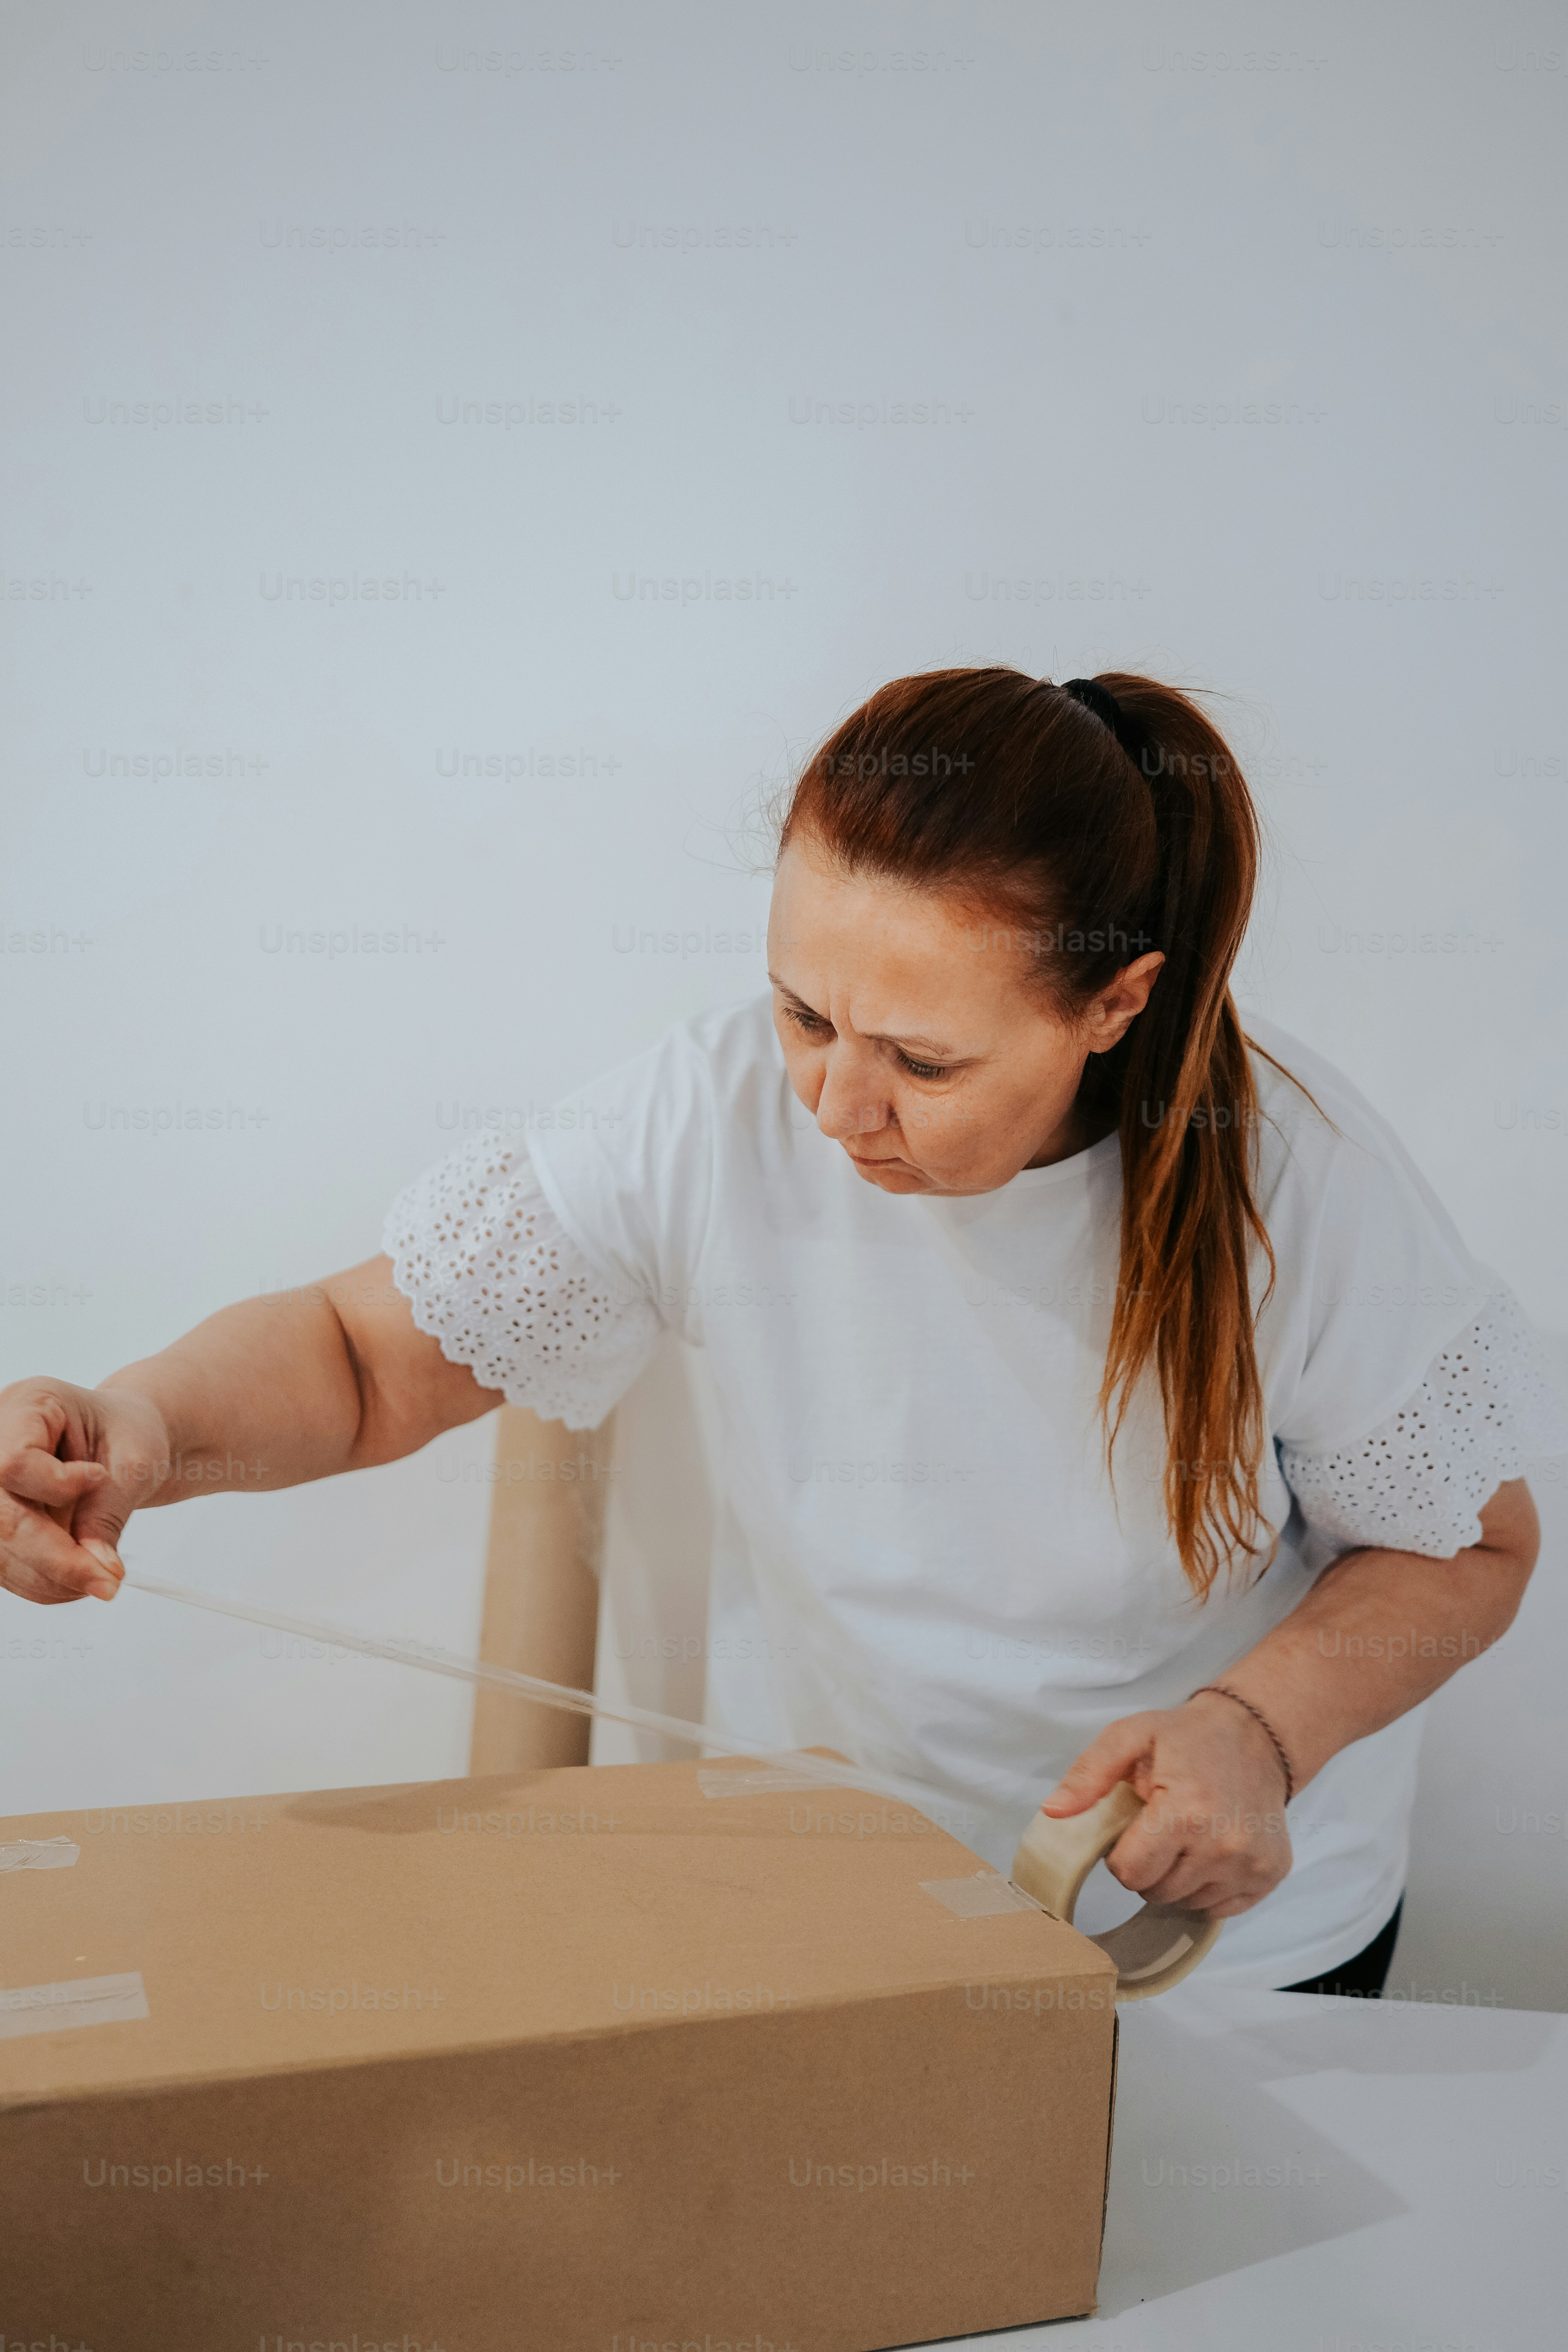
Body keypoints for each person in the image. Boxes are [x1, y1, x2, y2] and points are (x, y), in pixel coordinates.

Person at [2, 668, 1559, 1995]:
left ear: (1114, 1004)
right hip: (852, 1899)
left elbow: (1468, 1548)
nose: (833, 1106)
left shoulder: (1300, 1187)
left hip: (1216, 1937)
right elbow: (363, 1359)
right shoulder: (704, 1110)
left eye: (923, 1064)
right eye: (804, 1015)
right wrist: (141, 1427)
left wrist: (1257, 1736)